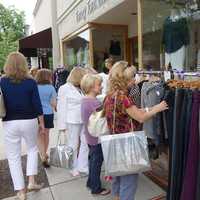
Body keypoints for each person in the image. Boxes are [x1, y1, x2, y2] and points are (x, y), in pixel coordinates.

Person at [104, 61, 168, 200]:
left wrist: (147, 108)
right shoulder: (124, 98)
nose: (135, 80)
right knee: (129, 182)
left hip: (115, 144)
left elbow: (130, 113)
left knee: (118, 179)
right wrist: (158, 107)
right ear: (124, 79)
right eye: (132, 77)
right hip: (127, 146)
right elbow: (140, 117)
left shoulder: (110, 96)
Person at [0, 52, 45, 200]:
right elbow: (37, 105)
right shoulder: (30, 81)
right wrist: (42, 124)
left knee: (13, 157)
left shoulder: (2, 81)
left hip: (9, 121)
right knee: (32, 149)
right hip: (29, 120)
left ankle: (20, 191)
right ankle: (32, 181)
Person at [81, 73, 110, 196]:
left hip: (89, 137)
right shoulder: (94, 103)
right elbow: (103, 120)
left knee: (92, 160)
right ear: (92, 87)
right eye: (99, 85)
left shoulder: (85, 100)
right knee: (96, 162)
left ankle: (90, 182)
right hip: (96, 138)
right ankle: (96, 188)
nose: (102, 87)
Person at [59, 67, 88, 176]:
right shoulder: (64, 88)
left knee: (85, 142)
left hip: (84, 119)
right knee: (73, 144)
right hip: (72, 120)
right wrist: (61, 126)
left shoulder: (82, 88)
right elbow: (61, 107)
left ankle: (83, 165)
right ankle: (72, 167)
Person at [35, 69, 57, 168]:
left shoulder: (34, 87)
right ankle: (44, 154)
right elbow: (53, 103)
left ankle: (43, 155)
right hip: (48, 113)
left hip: (36, 114)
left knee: (39, 135)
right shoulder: (51, 88)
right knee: (46, 134)